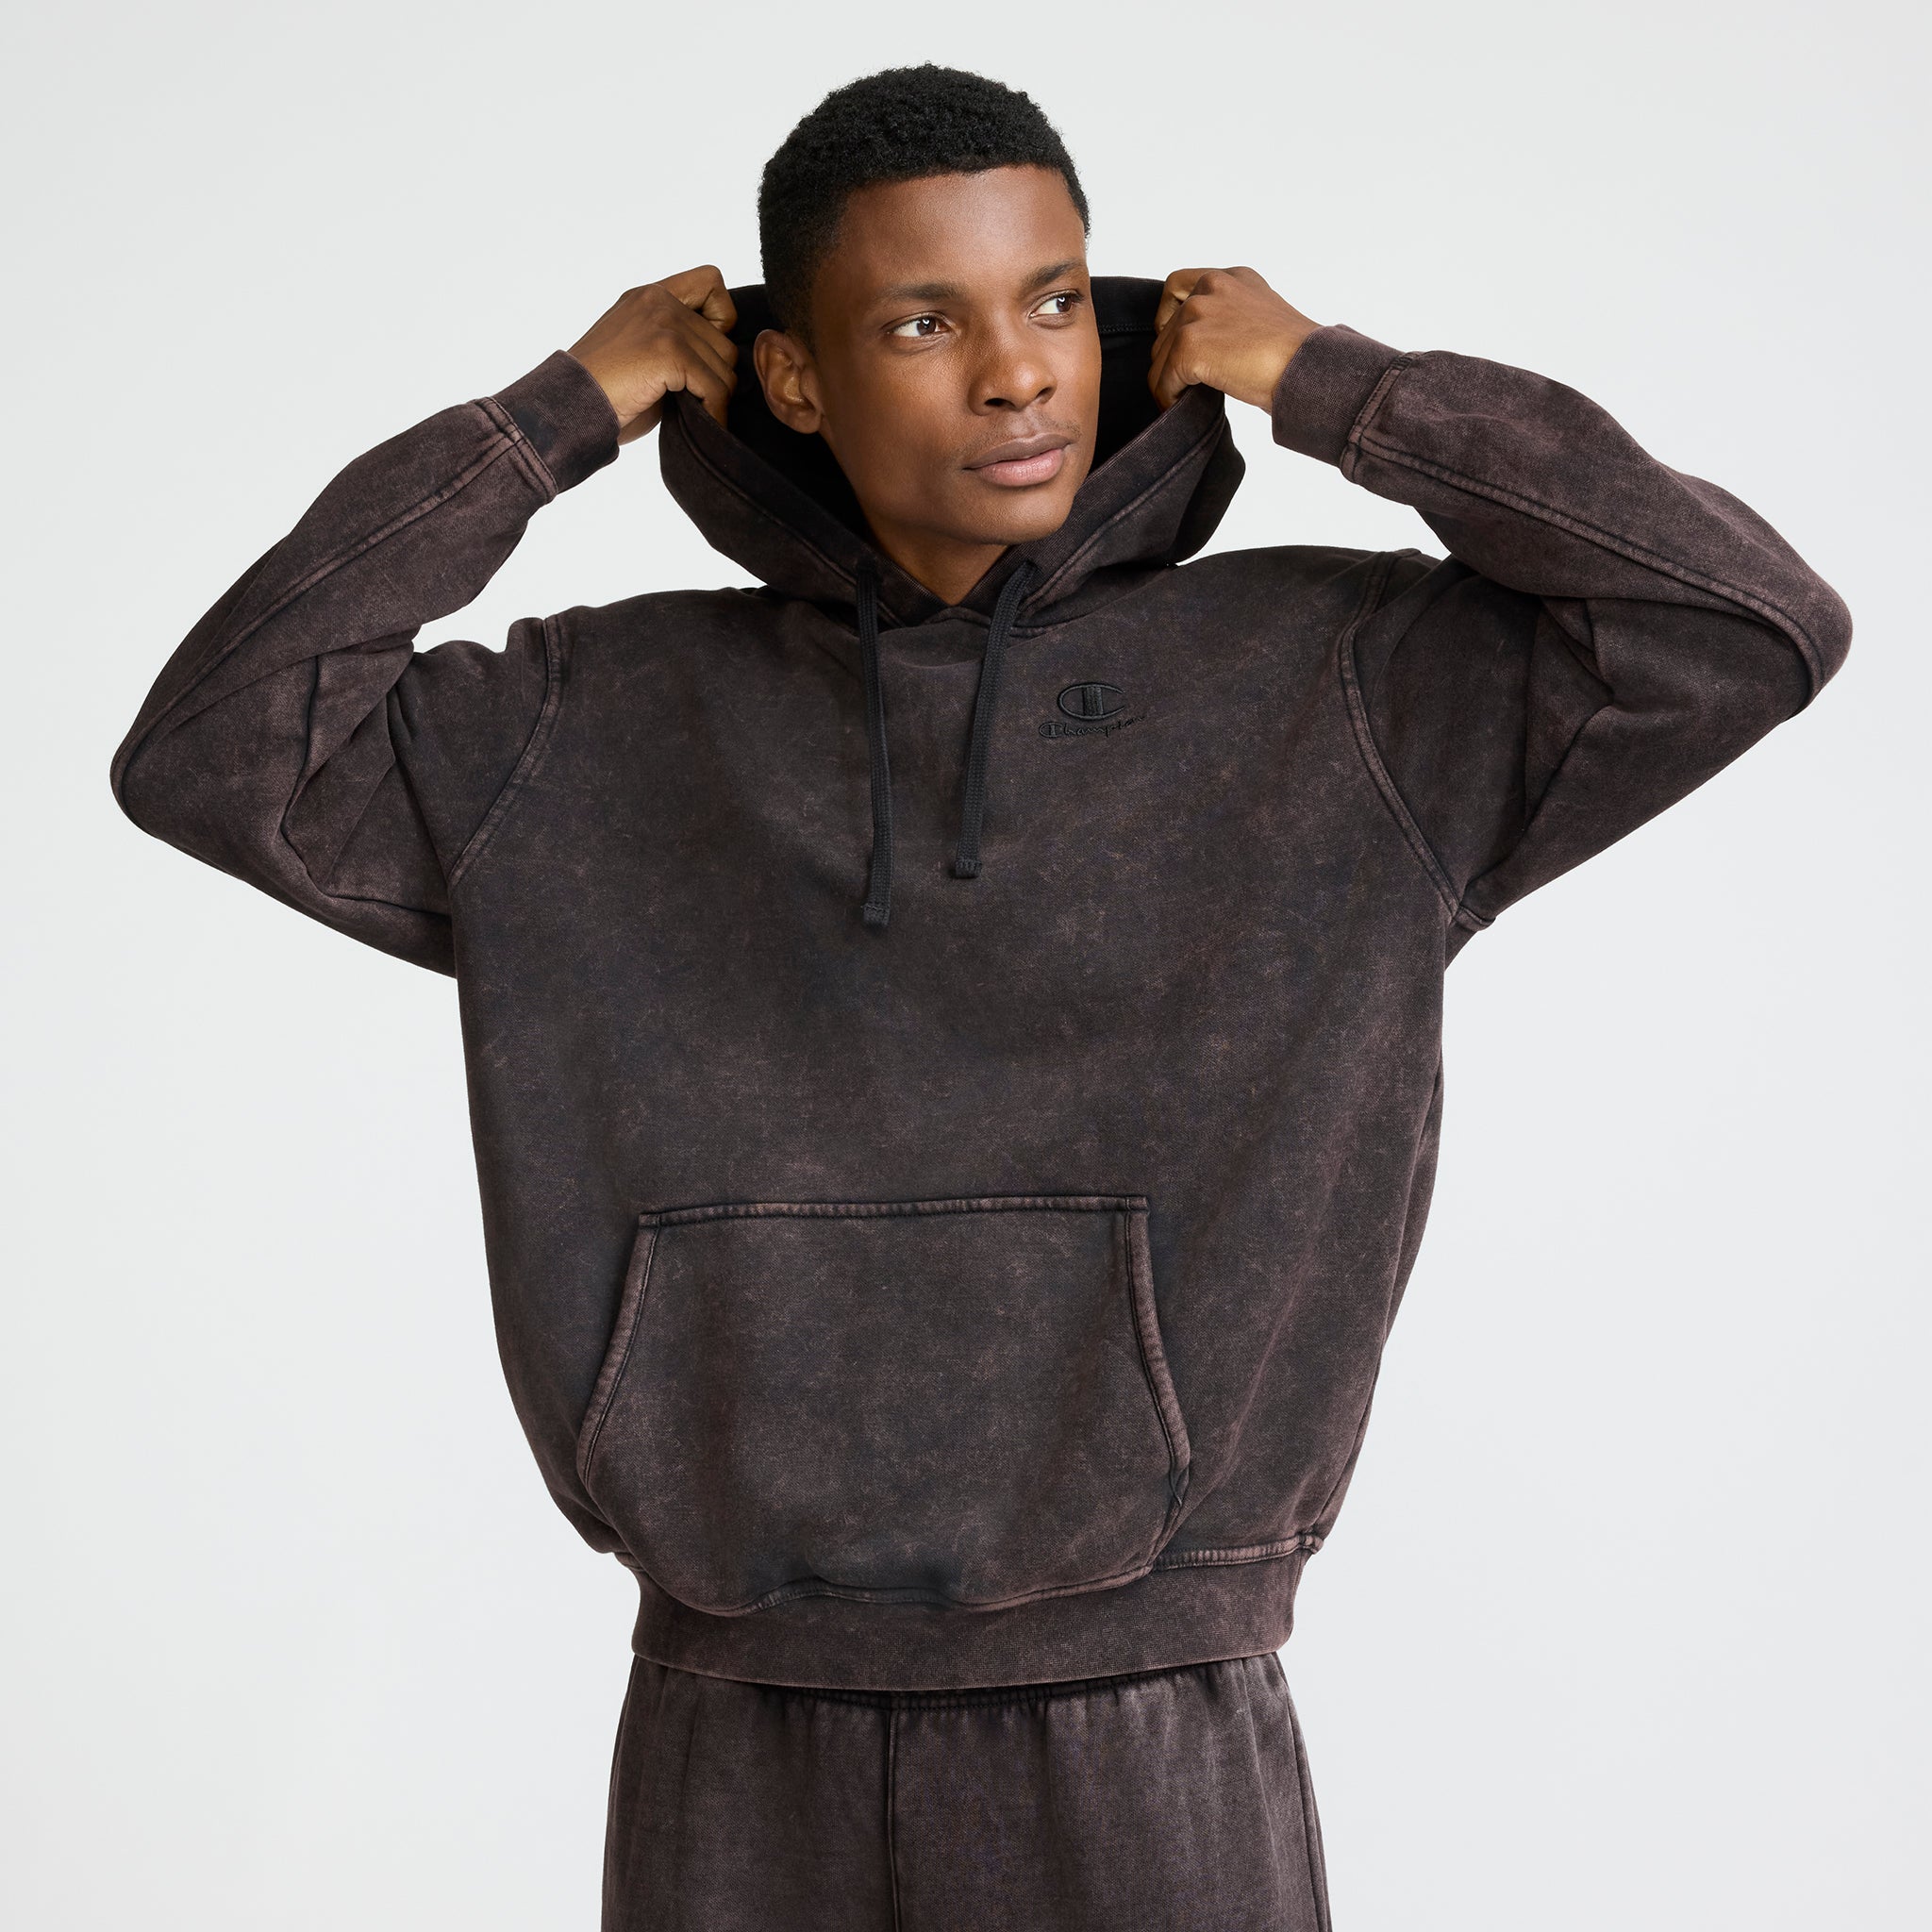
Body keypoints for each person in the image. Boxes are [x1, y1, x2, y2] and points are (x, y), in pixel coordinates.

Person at [111, 61, 1852, 1932]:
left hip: (1154, 1721)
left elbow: (1740, 627)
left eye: (1055, 299)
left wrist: (1340, 386)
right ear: (792, 378)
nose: (1018, 373)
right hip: (734, 1721)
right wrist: (555, 414)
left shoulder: (1339, 686)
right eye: (924, 321)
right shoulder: (581, 724)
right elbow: (217, 749)